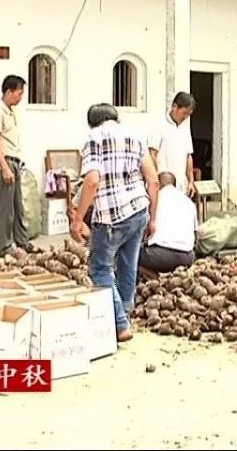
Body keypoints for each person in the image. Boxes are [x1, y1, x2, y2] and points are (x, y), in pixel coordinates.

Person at [70, 103, 159, 343]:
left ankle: (120, 325)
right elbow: (153, 180)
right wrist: (153, 217)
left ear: (92, 122)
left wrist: (78, 219)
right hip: (139, 209)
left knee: (99, 268)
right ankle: (125, 314)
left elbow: (92, 181)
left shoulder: (94, 137)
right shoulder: (135, 135)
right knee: (128, 264)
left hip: (111, 215)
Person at [0, 74, 35, 258]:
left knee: (18, 206)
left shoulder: (10, 111)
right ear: (9, 91)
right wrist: (4, 166)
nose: (21, 97)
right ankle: (5, 246)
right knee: (5, 208)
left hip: (14, 161)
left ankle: (22, 241)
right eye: (19, 93)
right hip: (5, 161)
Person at [138, 172, 197, 280]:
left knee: (128, 256)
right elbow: (196, 233)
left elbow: (142, 230)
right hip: (188, 257)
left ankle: (156, 279)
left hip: (160, 256)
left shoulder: (153, 200)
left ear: (158, 185)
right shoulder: (189, 202)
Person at [148, 92, 196, 197]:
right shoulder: (159, 125)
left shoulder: (185, 129)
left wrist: (191, 181)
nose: (186, 117)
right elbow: (152, 154)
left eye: (189, 115)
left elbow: (188, 156)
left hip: (181, 184)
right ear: (174, 107)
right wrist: (156, 179)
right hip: (164, 184)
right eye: (184, 113)